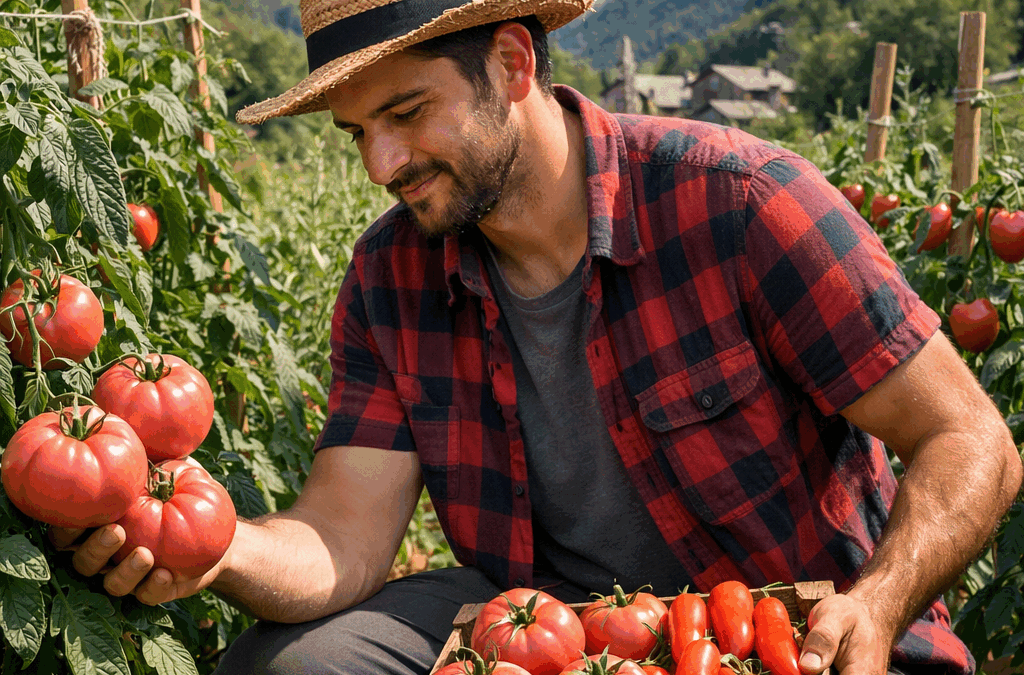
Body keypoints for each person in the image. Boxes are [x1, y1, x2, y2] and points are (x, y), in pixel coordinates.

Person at [52, 0, 1022, 673]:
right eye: (357, 133)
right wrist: (212, 548)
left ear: (513, 64)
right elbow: (342, 539)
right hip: (544, 636)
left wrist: (880, 599)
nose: (381, 163)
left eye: (405, 112)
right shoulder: (392, 276)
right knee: (290, 661)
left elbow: (968, 441)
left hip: (784, 629)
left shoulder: (738, 203)